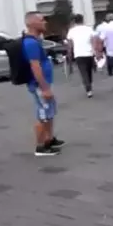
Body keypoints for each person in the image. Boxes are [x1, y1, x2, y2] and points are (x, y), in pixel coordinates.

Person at [23, 11, 65, 156]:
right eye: (42, 20)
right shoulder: (30, 43)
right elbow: (35, 66)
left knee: (49, 112)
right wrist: (45, 88)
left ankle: (49, 139)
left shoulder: (36, 40)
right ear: (32, 23)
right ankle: (41, 147)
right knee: (43, 114)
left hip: (45, 83)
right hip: (40, 85)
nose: (45, 22)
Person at [66, 14, 97, 98]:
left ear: (74, 21)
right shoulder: (89, 29)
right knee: (89, 71)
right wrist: (95, 51)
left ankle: (88, 89)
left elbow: (70, 45)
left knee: (83, 72)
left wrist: (69, 55)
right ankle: (89, 85)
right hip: (89, 53)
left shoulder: (71, 31)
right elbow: (93, 40)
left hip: (78, 54)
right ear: (83, 20)